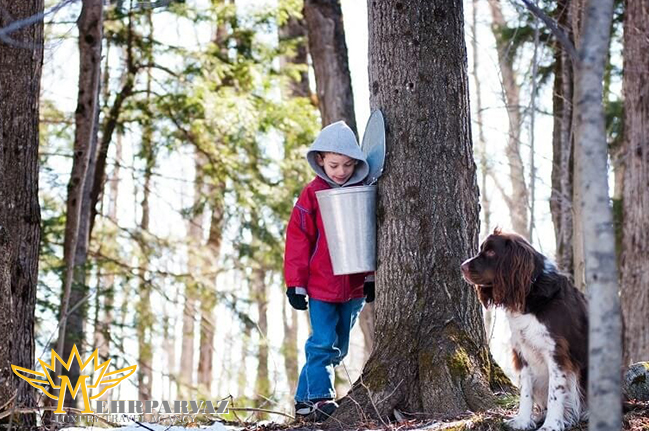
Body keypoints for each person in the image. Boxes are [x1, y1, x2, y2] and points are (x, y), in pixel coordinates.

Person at [283, 121, 376, 421]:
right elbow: (298, 239)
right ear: (321, 159)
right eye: (335, 164)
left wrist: (371, 277)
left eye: (348, 164)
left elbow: (369, 237)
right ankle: (320, 398)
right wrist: (295, 283)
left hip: (353, 288)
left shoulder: (363, 191)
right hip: (321, 286)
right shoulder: (312, 194)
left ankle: (303, 400)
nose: (341, 171)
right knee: (322, 342)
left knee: (339, 348)